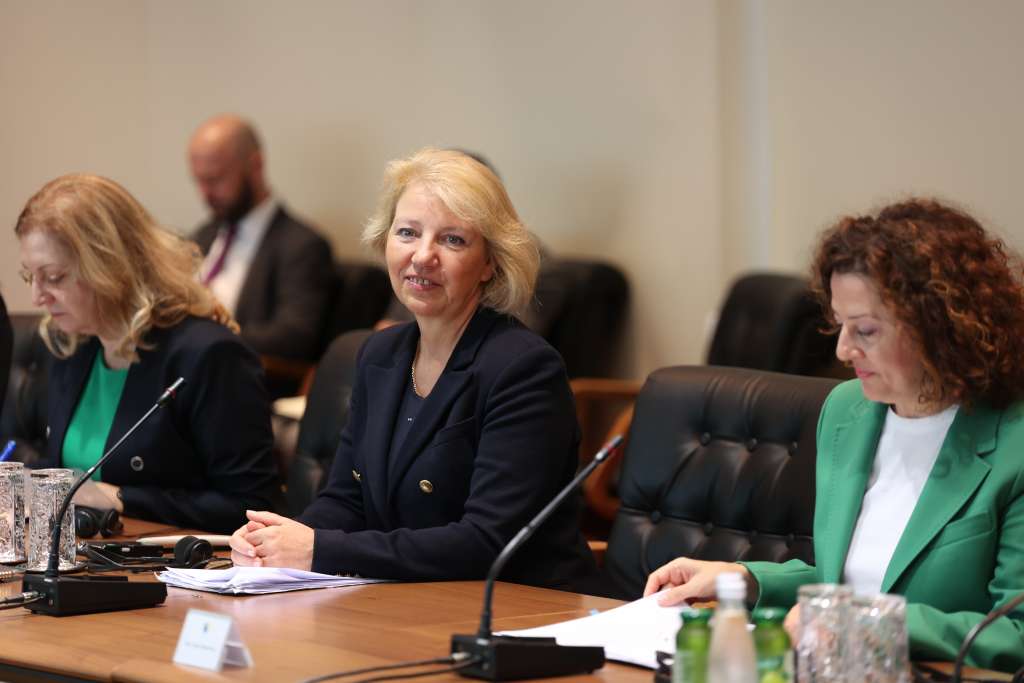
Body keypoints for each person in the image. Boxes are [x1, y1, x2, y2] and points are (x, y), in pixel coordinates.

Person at [644, 199, 1024, 671]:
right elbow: (850, 581)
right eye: (841, 325)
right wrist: (745, 579)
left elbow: (1016, 632)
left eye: (865, 330)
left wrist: (865, 623)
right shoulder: (848, 411)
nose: (843, 350)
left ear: (942, 327)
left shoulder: (1014, 442)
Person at [229, 148, 596, 590]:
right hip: (404, 595)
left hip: (519, 609)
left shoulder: (524, 368)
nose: (423, 256)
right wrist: (277, 542)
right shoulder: (378, 353)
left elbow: (486, 541)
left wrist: (321, 549)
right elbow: (347, 499)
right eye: (407, 233)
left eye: (452, 240)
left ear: (490, 263)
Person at [16, 174, 278, 534]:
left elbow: (252, 507)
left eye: (54, 277)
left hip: (174, 564)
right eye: (29, 276)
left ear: (109, 266)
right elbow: (67, 474)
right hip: (85, 556)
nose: (37, 297)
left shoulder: (209, 355)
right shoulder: (73, 344)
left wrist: (122, 498)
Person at [189, 114, 333, 364]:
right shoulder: (205, 234)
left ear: (255, 165)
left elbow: (295, 336)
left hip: (240, 371)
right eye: (199, 181)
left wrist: (207, 336)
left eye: (215, 179)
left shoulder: (302, 245)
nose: (205, 194)